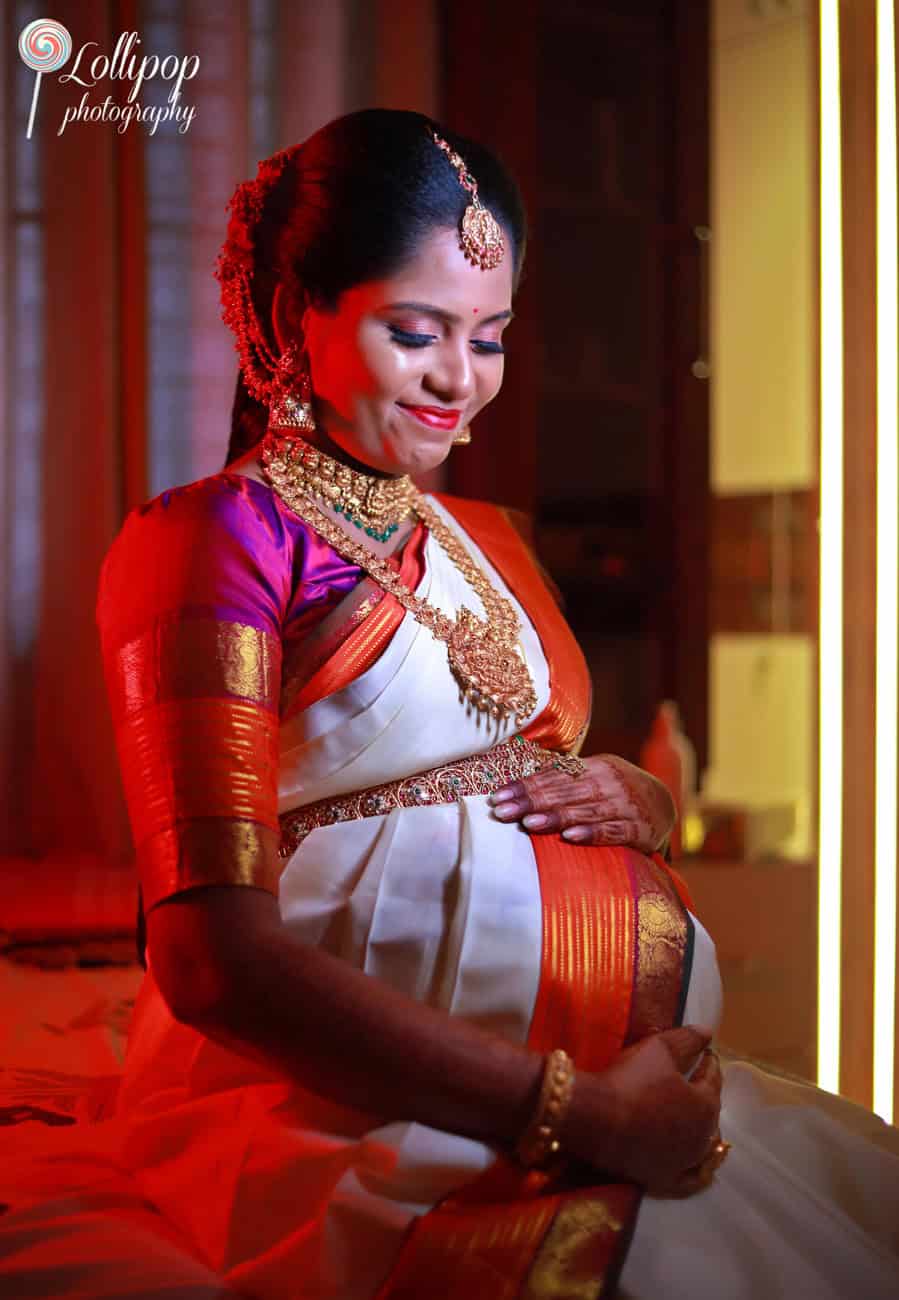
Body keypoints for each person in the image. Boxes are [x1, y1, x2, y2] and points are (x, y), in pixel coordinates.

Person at [1, 108, 897, 1300]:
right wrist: (570, 1110)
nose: (456, 381)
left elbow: (514, 772)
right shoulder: (212, 540)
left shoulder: (473, 541)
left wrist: (641, 801)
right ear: (287, 317)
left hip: (582, 1086)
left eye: (490, 337)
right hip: (347, 1113)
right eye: (413, 331)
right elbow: (211, 959)